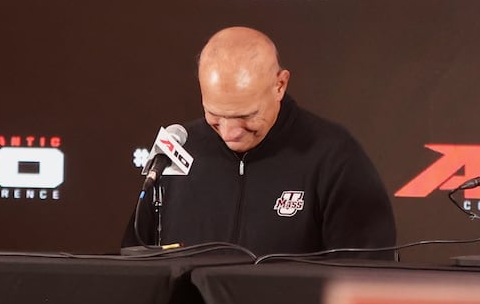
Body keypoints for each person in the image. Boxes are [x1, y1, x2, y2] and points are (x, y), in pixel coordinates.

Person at [122, 26, 395, 257]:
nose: (230, 132)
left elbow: (365, 282)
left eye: (246, 116)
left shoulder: (334, 156)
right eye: (215, 116)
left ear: (280, 85)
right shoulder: (175, 151)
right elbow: (136, 266)